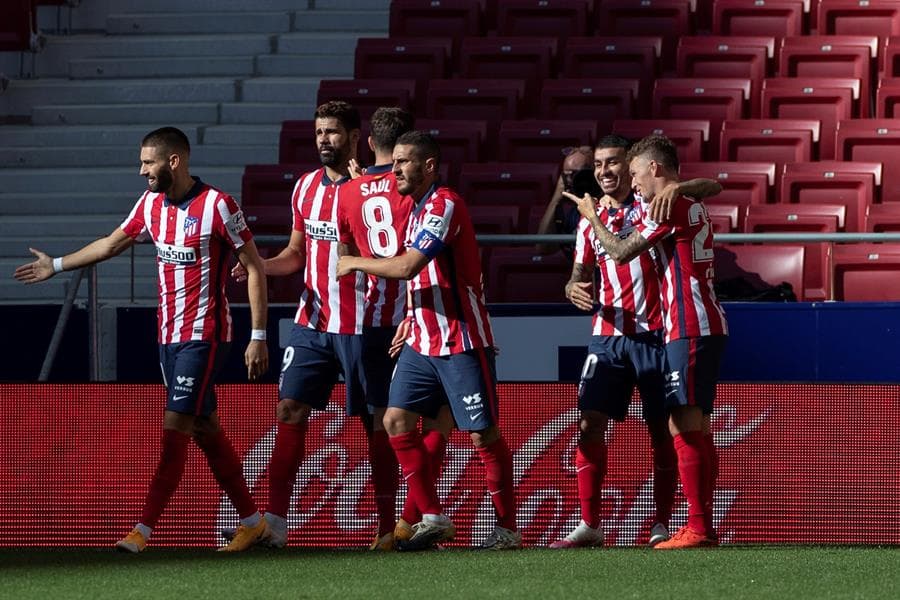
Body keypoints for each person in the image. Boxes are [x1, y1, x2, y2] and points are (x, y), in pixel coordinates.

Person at [14, 126, 270, 553]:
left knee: (175, 430)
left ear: (174, 161)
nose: (141, 171)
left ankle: (142, 531)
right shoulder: (151, 204)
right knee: (204, 427)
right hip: (167, 336)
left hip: (204, 335)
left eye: (148, 162)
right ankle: (252, 522)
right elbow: (111, 244)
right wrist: (56, 265)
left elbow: (255, 267)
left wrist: (258, 335)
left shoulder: (218, 205)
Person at [228, 100, 404, 550]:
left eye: (333, 132)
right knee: (289, 409)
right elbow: (296, 253)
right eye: (319, 131)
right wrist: (261, 266)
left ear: (355, 137)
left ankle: (387, 528)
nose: (324, 139)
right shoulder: (305, 187)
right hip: (312, 321)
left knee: (375, 423)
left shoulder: (371, 190)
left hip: (364, 322)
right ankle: (275, 525)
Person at [336, 131, 520, 550]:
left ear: (429, 166)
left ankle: (508, 529)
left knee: (483, 435)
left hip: (460, 338)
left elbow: (408, 266)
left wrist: (353, 262)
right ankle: (434, 517)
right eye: (394, 162)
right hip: (420, 338)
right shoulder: (417, 209)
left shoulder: (444, 204)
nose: (395, 170)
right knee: (395, 421)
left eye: (403, 162)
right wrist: (409, 316)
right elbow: (420, 277)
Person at [551, 134, 722, 549]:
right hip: (608, 335)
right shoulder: (589, 221)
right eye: (598, 165)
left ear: (635, 169)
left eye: (614, 163)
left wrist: (677, 186)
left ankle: (665, 522)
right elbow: (579, 273)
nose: (605, 172)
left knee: (667, 429)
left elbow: (709, 186)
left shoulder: (652, 205)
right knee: (589, 422)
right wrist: (573, 288)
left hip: (658, 333)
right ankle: (590, 524)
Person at [337, 107, 455, 550]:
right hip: (420, 315)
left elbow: (344, 252)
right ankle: (414, 516)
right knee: (437, 418)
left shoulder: (349, 191)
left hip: (373, 318)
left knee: (382, 421)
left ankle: (386, 527)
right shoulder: (417, 189)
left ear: (369, 143)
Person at [535, 146, 599, 257]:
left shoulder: (610, 205)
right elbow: (543, 247)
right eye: (566, 175)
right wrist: (556, 198)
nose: (570, 181)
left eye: (576, 174)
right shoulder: (572, 214)